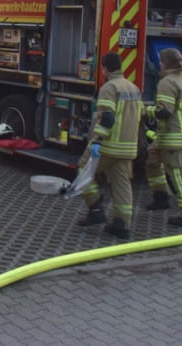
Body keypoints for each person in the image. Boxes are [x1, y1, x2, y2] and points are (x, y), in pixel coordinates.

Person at [76, 52, 143, 240]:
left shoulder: (109, 88)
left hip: (109, 145)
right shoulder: (134, 88)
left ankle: (95, 208)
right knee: (122, 183)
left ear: (104, 68)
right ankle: (122, 224)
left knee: (84, 169)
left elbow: (107, 118)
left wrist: (97, 141)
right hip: (128, 147)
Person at [143, 48, 182, 229]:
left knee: (178, 173)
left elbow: (164, 112)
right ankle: (161, 197)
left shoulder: (167, 82)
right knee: (152, 160)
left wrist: (144, 111)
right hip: (177, 132)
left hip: (173, 134)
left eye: (161, 61)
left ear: (165, 62)